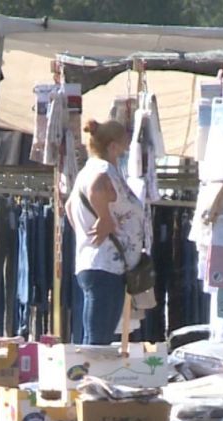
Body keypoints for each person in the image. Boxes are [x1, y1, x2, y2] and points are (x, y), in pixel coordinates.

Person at [67, 119, 146, 345]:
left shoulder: (88, 169)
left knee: (97, 333)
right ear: (113, 146)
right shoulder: (103, 169)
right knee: (97, 337)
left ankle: (89, 377)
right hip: (104, 264)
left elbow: (70, 207)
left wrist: (85, 231)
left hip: (99, 262)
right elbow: (96, 188)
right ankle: (89, 378)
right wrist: (103, 218)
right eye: (124, 144)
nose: (126, 149)